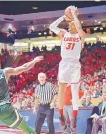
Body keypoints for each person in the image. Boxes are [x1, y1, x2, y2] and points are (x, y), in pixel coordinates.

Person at [49, 5, 85, 133]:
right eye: (69, 24)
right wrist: (63, 17)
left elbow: (79, 27)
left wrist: (74, 15)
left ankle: (74, 117)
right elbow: (51, 27)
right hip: (64, 63)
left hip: (75, 64)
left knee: (75, 92)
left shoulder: (81, 35)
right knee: (61, 90)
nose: (70, 25)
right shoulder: (64, 33)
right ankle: (61, 115)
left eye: (72, 24)